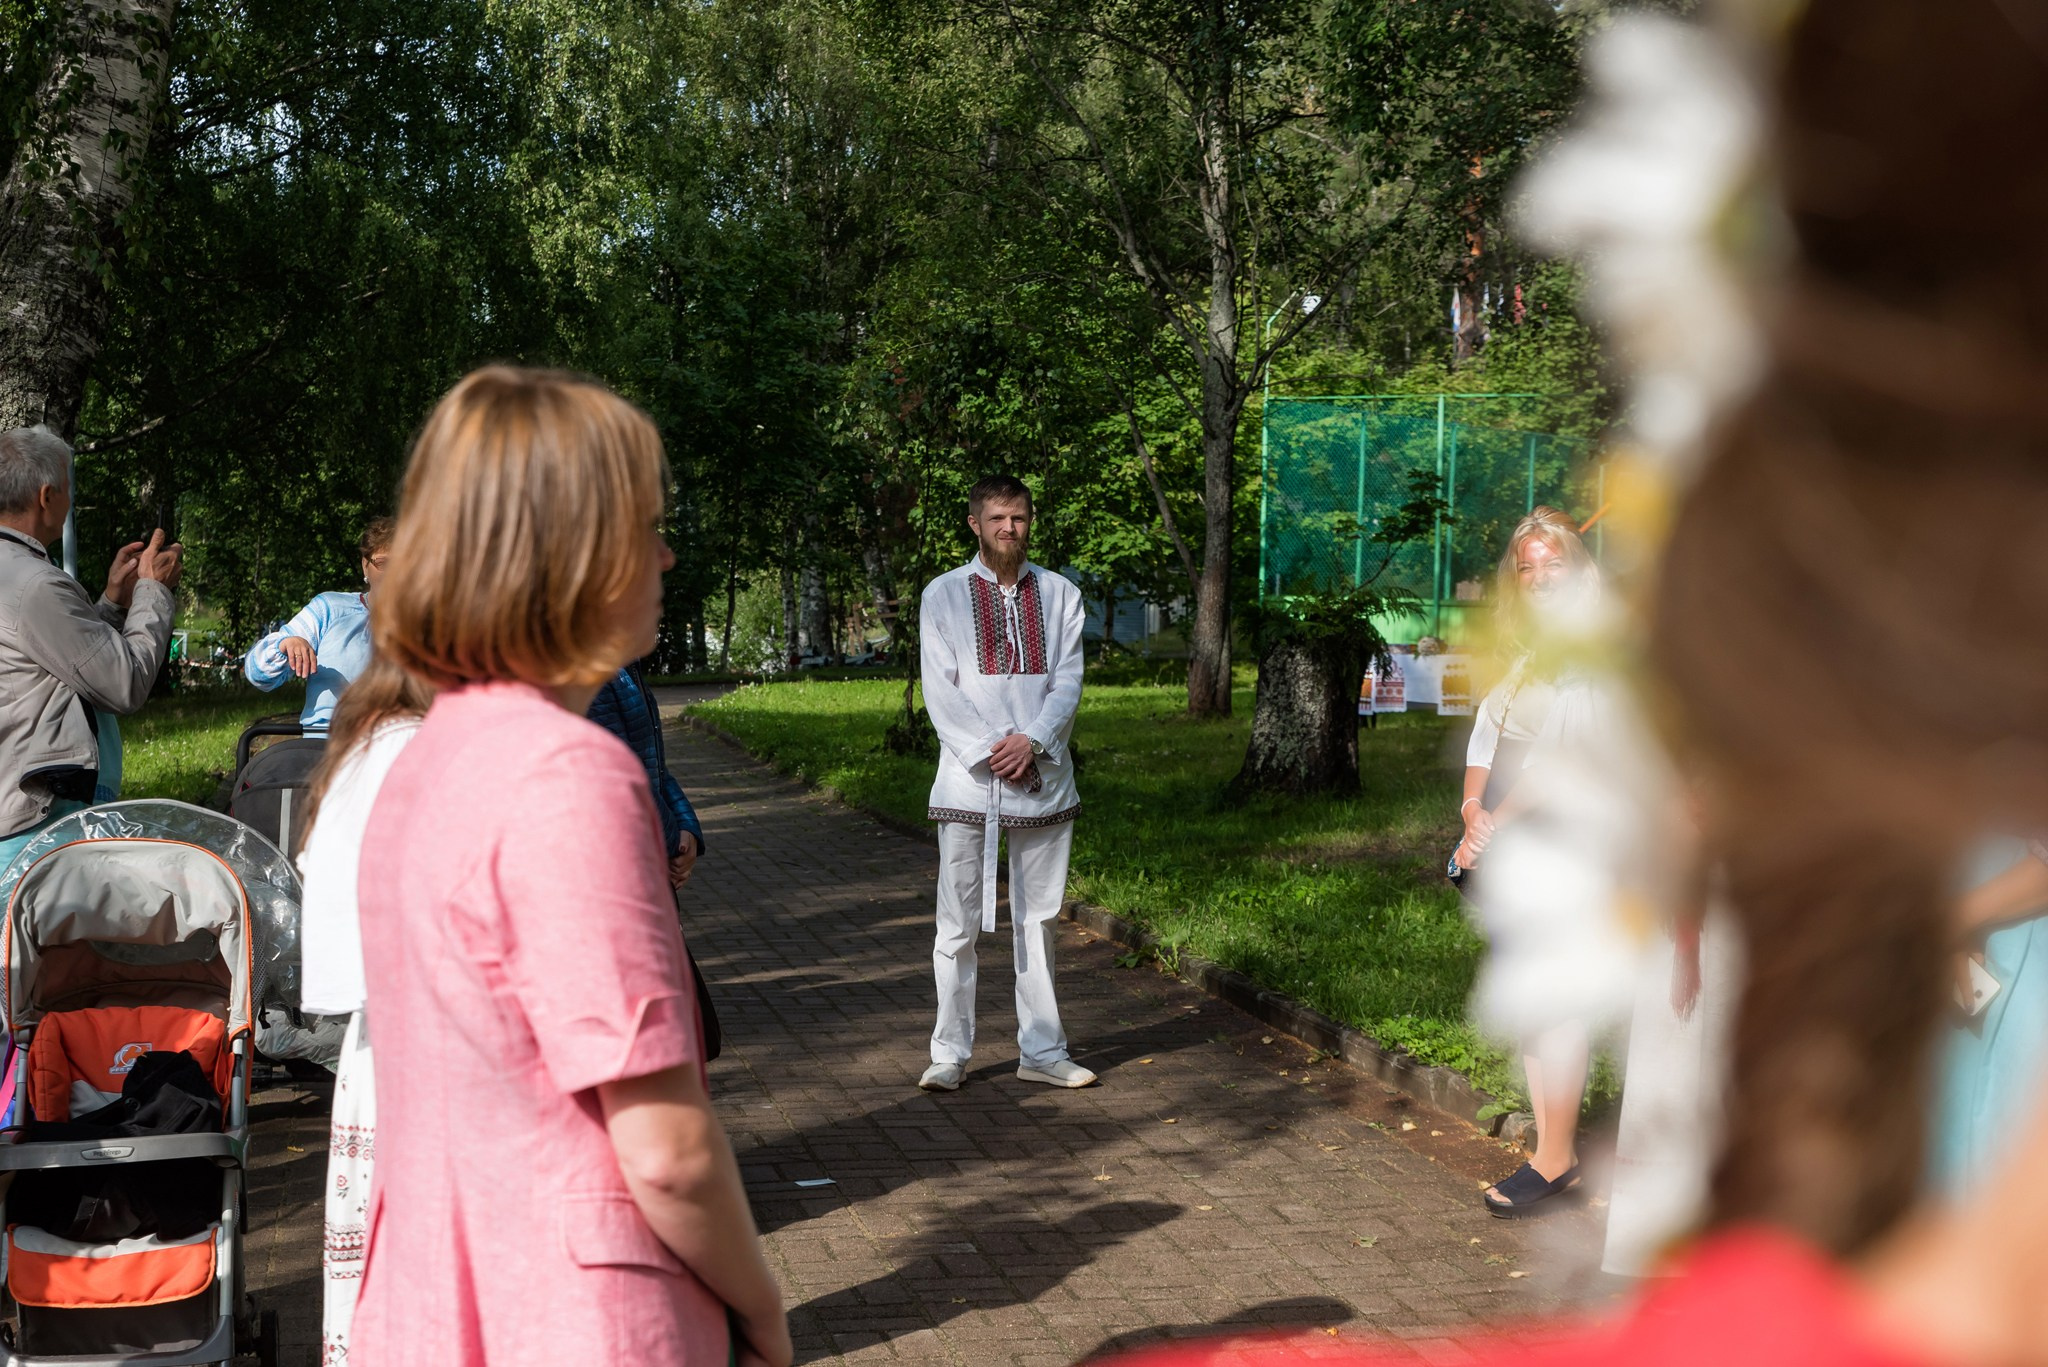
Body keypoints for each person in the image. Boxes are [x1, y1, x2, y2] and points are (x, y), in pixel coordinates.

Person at [347, 367, 789, 1367]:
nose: (667, 553)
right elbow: (665, 1146)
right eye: (646, 525)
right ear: (576, 553)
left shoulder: (424, 762)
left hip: (434, 1304)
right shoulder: (567, 774)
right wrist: (759, 1304)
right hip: (572, 1316)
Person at [916, 474, 1091, 1092]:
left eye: (1017, 518)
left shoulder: (1062, 594)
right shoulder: (942, 596)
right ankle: (949, 1052)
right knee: (957, 923)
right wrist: (994, 751)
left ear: (1030, 521)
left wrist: (1033, 742)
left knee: (1039, 918)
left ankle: (1042, 1051)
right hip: (969, 783)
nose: (1007, 529)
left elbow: (1067, 681)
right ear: (975, 523)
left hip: (1041, 775)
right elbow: (943, 691)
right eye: (996, 518)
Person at [1454, 506, 1606, 1216]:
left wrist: (1493, 828)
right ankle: (1552, 1146)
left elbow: (1562, 758)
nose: (1542, 577)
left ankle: (1556, 1156)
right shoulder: (1527, 648)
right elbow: (1487, 732)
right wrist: (1471, 807)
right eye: (1528, 566)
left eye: (1556, 564)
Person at [295, 656, 432, 1366]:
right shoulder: (422, 750)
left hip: (374, 1037)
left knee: (371, 1232)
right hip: (431, 1035)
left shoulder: (359, 748)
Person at [0, 425, 181, 866]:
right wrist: (153, 591)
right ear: (47, 496)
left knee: (59, 939)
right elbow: (123, 683)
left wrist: (113, 603)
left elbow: (54, 661)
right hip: (31, 825)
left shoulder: (15, 576)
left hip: (10, 806)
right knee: (52, 936)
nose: (69, 500)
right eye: (67, 487)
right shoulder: (36, 585)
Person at [242, 517, 392, 730]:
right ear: (365, 566)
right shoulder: (330, 608)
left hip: (405, 748)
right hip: (327, 745)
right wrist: (286, 644)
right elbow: (258, 674)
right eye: (384, 563)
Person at [589, 657, 705, 888]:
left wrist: (687, 826)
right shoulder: (598, 676)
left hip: (647, 853)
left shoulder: (627, 667)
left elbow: (657, 769)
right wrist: (674, 849)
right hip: (622, 863)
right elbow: (627, 781)